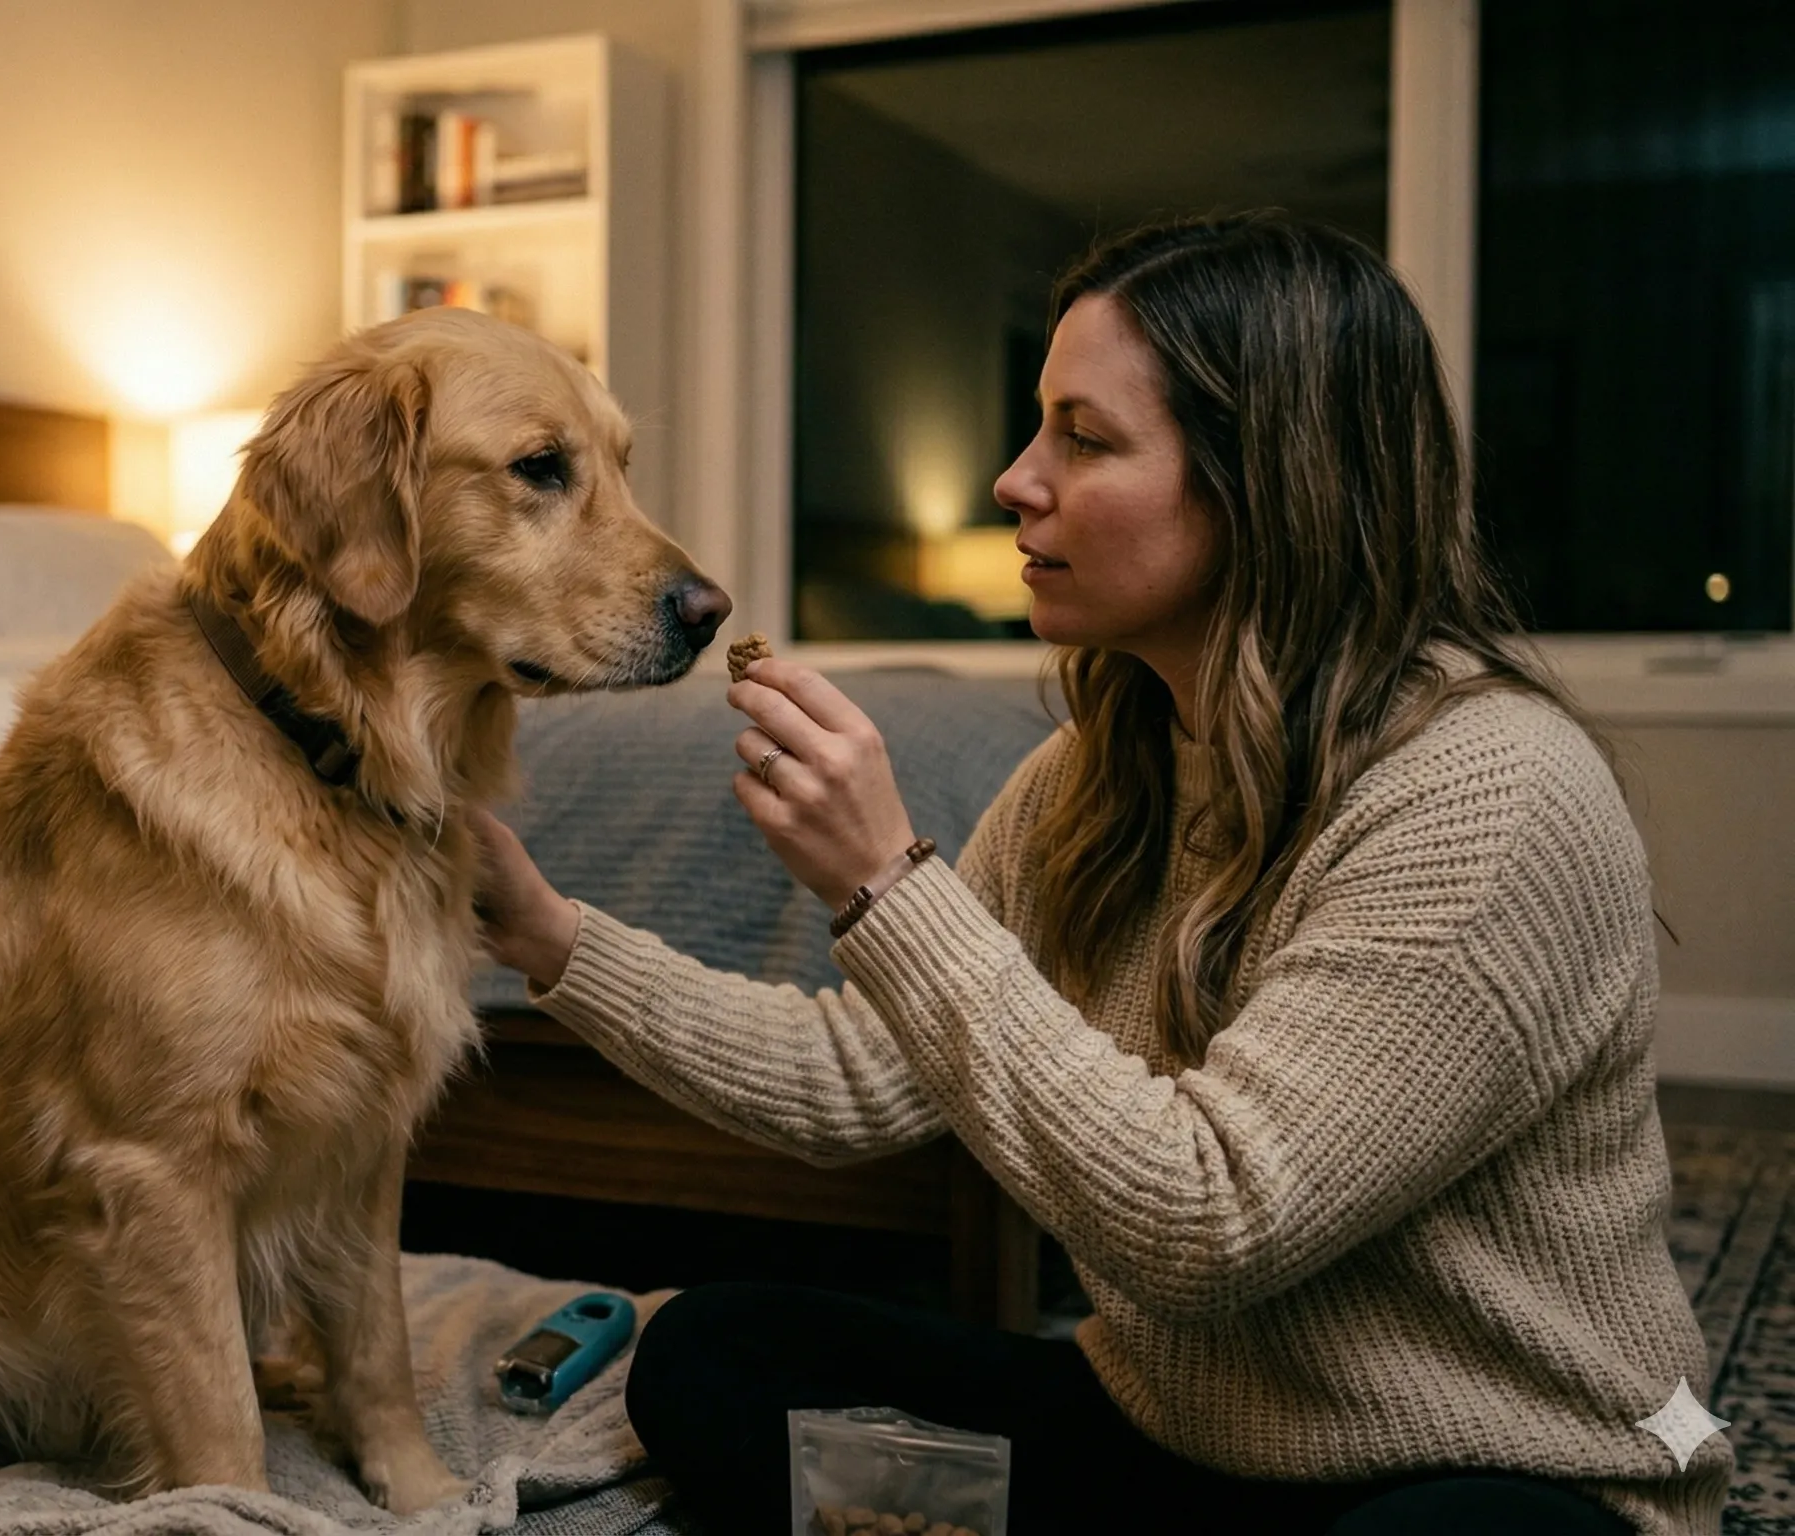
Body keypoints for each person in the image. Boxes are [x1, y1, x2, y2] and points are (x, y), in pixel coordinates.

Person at [469, 214, 1724, 1536]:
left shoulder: (1489, 793)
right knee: (711, 1354)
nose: (1015, 480)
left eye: (1085, 437)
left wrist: (889, 885)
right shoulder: (1100, 765)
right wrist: (549, 935)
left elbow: (1210, 1224)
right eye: (1038, 428)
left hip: (1493, 1470)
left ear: (1264, 484)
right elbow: (863, 1080)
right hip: (1182, 1438)